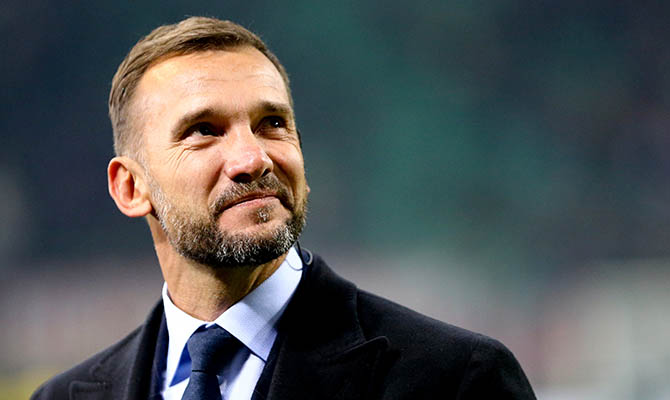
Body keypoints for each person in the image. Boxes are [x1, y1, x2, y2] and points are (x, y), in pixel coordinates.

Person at [31, 16, 536, 400]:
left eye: (272, 123)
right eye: (204, 130)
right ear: (130, 188)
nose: (253, 158)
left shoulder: (456, 380)